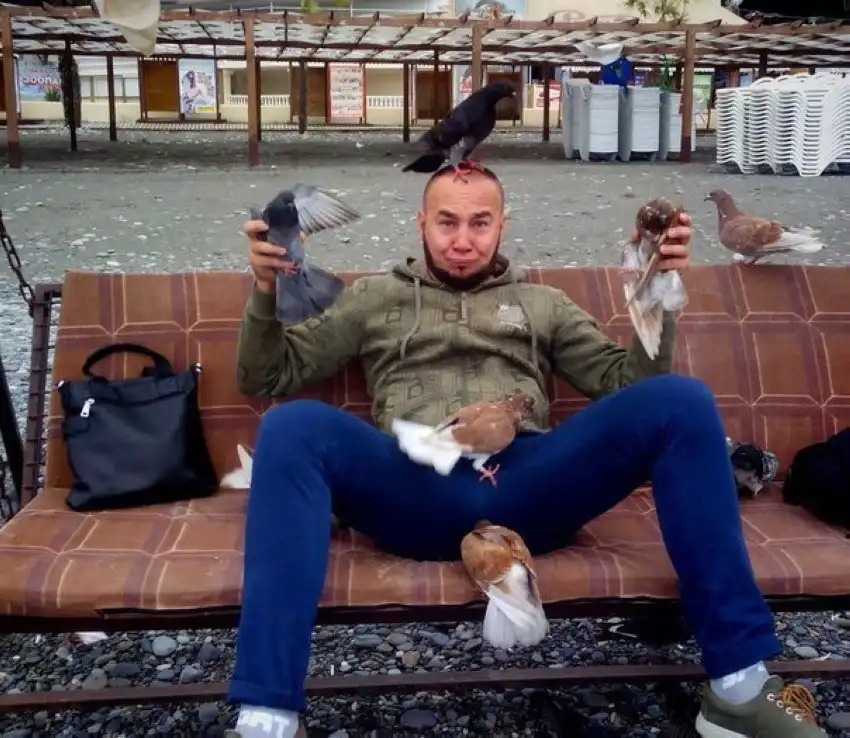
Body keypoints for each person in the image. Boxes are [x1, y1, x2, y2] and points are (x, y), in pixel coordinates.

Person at [224, 165, 824, 738]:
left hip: (531, 485)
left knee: (682, 400)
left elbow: (628, 386)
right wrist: (266, 287)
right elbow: (266, 374)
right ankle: (267, 718)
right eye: (447, 222)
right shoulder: (373, 298)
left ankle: (739, 689)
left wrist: (655, 284)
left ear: (502, 224)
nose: (463, 240)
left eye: (479, 223)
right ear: (422, 223)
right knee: (291, 426)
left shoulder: (543, 303)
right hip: (413, 486)